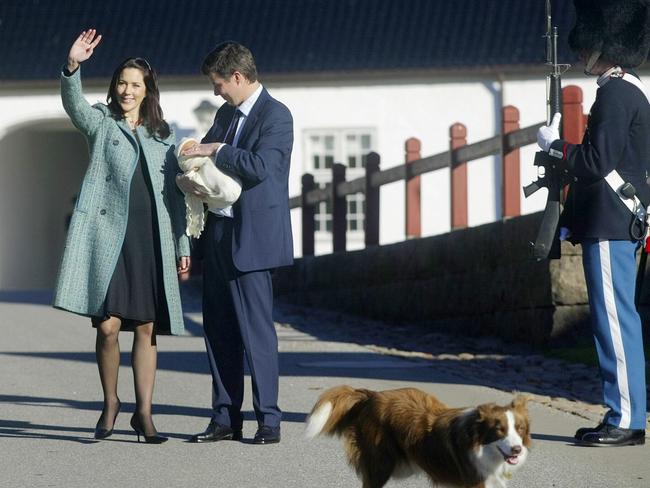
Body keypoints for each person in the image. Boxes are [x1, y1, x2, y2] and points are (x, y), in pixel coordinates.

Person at [53, 29, 191, 443]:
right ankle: (111, 401)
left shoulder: (163, 137)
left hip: (150, 236)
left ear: (148, 90)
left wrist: (182, 244)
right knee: (109, 326)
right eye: (122, 83)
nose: (127, 90)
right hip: (110, 238)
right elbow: (73, 105)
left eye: (135, 85)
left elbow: (174, 198)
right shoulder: (101, 121)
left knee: (146, 327)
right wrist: (72, 66)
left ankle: (144, 413)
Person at [537, 0, 650, 446]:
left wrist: (555, 148)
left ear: (604, 45)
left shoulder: (615, 93)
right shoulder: (629, 89)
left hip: (610, 219)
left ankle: (625, 418)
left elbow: (597, 161)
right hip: (618, 219)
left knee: (614, 322)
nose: (585, 54)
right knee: (619, 320)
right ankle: (627, 413)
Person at [176, 42, 293, 445]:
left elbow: (264, 167)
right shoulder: (226, 114)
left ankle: (269, 421)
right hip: (220, 234)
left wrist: (216, 149)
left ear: (239, 78)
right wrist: (192, 158)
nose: (216, 92)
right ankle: (225, 418)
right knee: (219, 330)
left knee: (256, 333)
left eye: (219, 83)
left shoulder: (277, 115)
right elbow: (207, 160)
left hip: (254, 239)